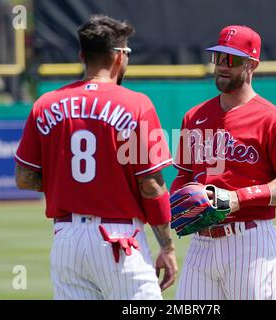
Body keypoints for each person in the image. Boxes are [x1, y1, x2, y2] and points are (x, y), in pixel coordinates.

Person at [14, 14, 177, 300]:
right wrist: (167, 246)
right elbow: (151, 186)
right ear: (118, 57)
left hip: (67, 240)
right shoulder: (136, 105)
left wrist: (63, 182)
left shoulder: (46, 104)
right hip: (118, 239)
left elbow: (24, 178)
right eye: (127, 52)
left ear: (82, 56)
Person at [171, 25, 276, 300]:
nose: (223, 65)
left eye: (232, 59)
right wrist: (176, 202)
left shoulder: (273, 120)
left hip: (250, 243)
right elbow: (184, 176)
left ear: (252, 64)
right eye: (218, 57)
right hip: (201, 243)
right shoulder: (194, 117)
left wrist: (237, 199)